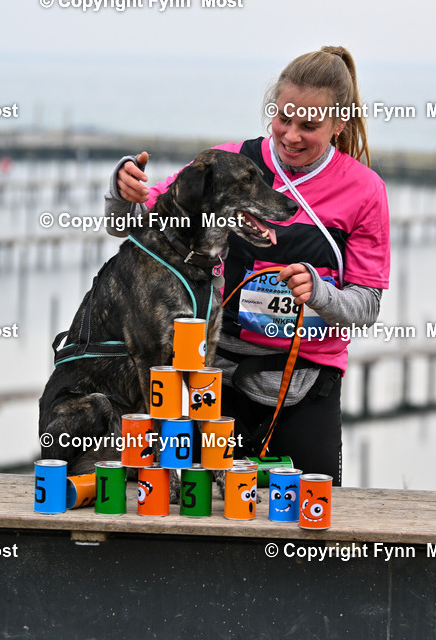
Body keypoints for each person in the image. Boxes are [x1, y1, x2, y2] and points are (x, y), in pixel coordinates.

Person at [104, 46, 391, 485]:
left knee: (306, 522)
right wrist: (121, 191)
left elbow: (367, 306)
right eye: (282, 119)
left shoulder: (365, 191)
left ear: (340, 125)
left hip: (303, 384)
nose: (291, 135)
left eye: (309, 126)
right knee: (192, 513)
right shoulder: (227, 164)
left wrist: (318, 292)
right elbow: (129, 226)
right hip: (210, 380)